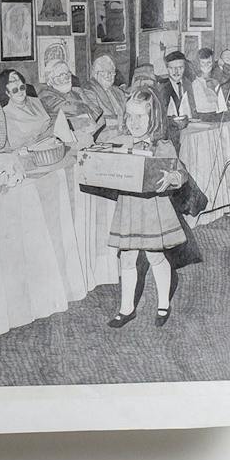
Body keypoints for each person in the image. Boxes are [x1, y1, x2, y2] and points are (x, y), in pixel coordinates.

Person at [105, 84, 188, 329]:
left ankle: (163, 303)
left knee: (154, 255)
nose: (134, 122)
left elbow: (181, 173)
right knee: (128, 257)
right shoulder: (122, 142)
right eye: (129, 116)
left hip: (154, 209)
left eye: (140, 116)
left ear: (153, 117)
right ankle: (126, 308)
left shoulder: (162, 146)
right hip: (129, 208)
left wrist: (173, 178)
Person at [42, 60, 103, 150]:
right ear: (50, 80)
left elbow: (98, 112)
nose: (66, 78)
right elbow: (72, 109)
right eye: (60, 75)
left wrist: (82, 95)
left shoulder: (75, 92)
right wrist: (85, 115)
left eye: (67, 73)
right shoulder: (46, 95)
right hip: (62, 142)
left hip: (86, 137)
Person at [0, 67, 50, 150]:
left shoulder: (35, 101)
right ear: (8, 93)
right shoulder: (5, 113)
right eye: (14, 90)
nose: (20, 92)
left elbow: (48, 121)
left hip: (49, 143)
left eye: (22, 88)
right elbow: (16, 144)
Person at [78, 53, 127, 141]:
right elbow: (96, 121)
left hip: (123, 136)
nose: (109, 76)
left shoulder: (118, 91)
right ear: (95, 74)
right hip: (104, 138)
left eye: (112, 72)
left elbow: (127, 113)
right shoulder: (88, 91)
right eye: (104, 72)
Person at [160, 51, 194, 141]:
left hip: (190, 133)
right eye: (172, 68)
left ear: (185, 68)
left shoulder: (190, 85)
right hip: (169, 136)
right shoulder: (162, 88)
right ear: (167, 68)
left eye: (180, 67)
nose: (176, 71)